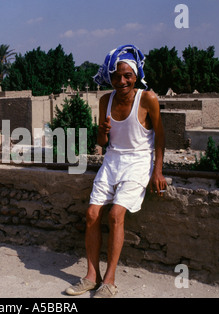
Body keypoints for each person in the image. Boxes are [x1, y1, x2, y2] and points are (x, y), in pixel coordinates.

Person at [65, 44, 167, 298]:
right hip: (112, 161)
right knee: (91, 214)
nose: (121, 81)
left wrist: (157, 172)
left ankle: (109, 280)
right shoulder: (104, 100)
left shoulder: (148, 99)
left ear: (136, 75)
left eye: (127, 76)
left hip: (139, 162)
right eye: (116, 76)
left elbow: (161, 138)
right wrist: (103, 130)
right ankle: (91, 276)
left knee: (116, 215)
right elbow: (101, 142)